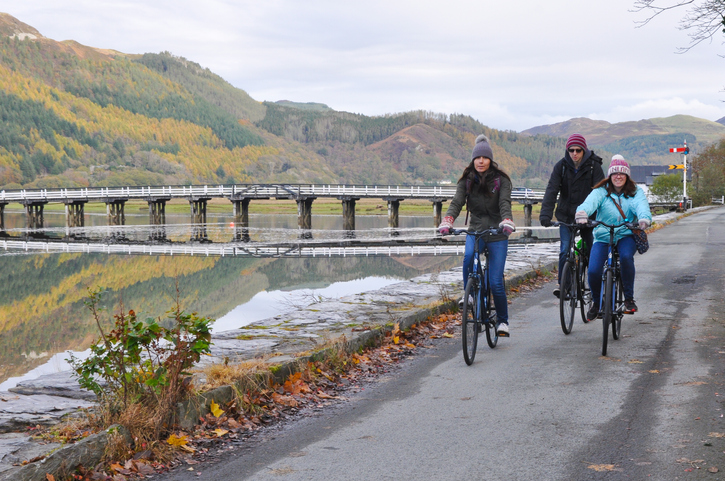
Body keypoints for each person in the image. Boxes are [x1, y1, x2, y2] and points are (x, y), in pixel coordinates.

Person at [438, 135, 516, 337]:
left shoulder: (501, 180)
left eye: (484, 157)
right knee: (468, 258)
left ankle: (502, 322)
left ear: (490, 159)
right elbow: (457, 202)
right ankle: (470, 295)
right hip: (476, 230)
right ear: (473, 160)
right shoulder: (467, 180)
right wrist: (448, 220)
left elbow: (504, 204)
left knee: (496, 282)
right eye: (477, 157)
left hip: (498, 232)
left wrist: (506, 220)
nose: (480, 161)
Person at [575, 155, 652, 321]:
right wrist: (582, 213)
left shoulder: (635, 192)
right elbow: (590, 203)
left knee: (625, 257)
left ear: (627, 176)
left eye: (622, 174)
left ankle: (629, 299)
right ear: (610, 175)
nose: (618, 176)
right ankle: (597, 303)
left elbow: (641, 205)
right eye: (615, 173)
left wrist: (643, 219)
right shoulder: (601, 191)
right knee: (594, 269)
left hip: (625, 234)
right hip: (603, 235)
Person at [539, 133, 605, 298]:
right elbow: (552, 190)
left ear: (584, 150)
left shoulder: (594, 166)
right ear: (567, 150)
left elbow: (601, 192)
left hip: (589, 217)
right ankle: (564, 286)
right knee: (564, 251)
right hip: (566, 215)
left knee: (592, 250)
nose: (574, 153)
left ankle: (595, 286)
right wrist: (545, 215)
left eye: (578, 150)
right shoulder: (561, 166)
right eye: (571, 150)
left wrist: (600, 217)